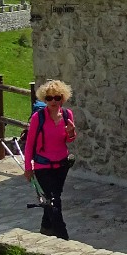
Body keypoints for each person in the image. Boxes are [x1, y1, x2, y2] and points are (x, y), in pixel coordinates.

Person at [22, 79, 77, 239]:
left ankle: (46, 227)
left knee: (54, 196)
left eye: (57, 97)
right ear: (44, 99)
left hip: (62, 164)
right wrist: (28, 168)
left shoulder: (67, 115)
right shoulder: (38, 118)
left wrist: (71, 132)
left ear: (63, 98)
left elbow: (68, 140)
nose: (53, 101)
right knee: (54, 201)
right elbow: (30, 144)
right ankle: (63, 236)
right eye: (49, 98)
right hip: (42, 166)